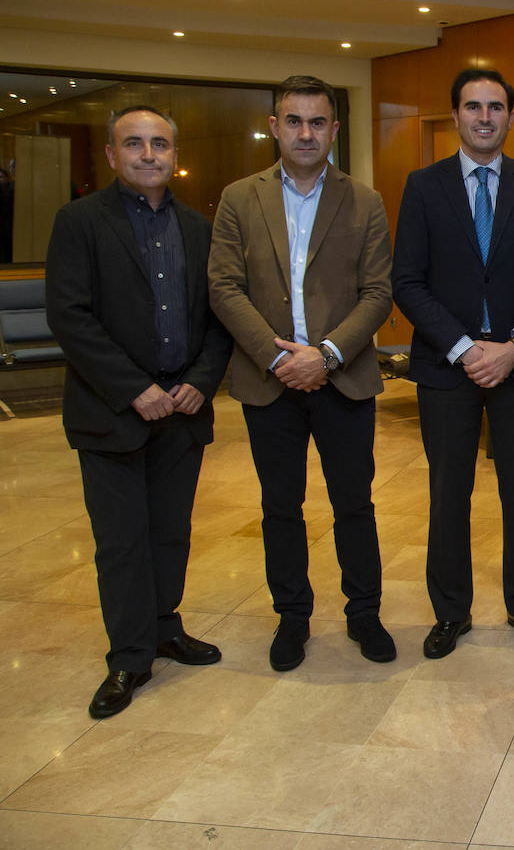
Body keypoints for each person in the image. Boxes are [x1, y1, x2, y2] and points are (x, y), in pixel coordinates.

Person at [45, 105, 232, 718]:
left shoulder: (199, 229)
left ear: (175, 155)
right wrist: (133, 389)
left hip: (182, 410)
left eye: (159, 144)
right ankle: (129, 657)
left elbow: (217, 318)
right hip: (112, 413)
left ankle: (163, 627)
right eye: (134, 144)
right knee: (121, 542)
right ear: (111, 155)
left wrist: (202, 381)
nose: (148, 154)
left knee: (170, 533)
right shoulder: (79, 222)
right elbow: (70, 317)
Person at [209, 75, 395, 672]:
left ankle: (364, 612)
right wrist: (279, 356)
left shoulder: (364, 200)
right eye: (295, 120)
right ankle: (292, 617)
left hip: (342, 379)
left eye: (318, 122)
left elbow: (377, 293)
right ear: (275, 125)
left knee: (354, 504)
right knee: (280, 507)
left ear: (335, 130)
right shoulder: (239, 198)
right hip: (270, 382)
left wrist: (327, 354)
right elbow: (224, 287)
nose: (306, 132)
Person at [392, 68, 514, 658]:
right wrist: (464, 349)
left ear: (512, 117)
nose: (484, 117)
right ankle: (450, 612)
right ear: (456, 115)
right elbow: (407, 282)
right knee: (448, 492)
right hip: (446, 366)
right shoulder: (423, 185)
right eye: (472, 106)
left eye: (495, 107)